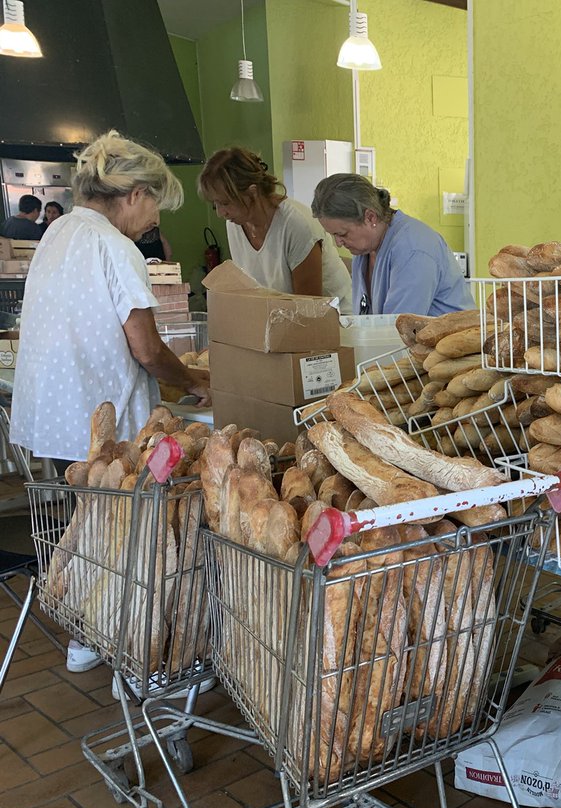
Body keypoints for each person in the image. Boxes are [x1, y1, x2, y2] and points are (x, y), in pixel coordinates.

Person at [10, 131, 211, 677]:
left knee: (85, 526)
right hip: (98, 416)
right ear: (133, 193)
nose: (155, 223)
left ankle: (86, 633)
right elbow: (146, 348)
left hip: (52, 412)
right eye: (156, 207)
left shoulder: (57, 232)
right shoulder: (116, 246)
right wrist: (194, 380)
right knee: (116, 535)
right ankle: (113, 640)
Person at [198, 147, 352, 310]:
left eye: (225, 203)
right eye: (215, 204)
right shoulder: (234, 223)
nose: (220, 213)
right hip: (282, 321)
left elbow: (309, 310)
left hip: (336, 322)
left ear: (252, 192)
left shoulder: (297, 225)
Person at [311, 173, 471, 317]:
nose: (338, 243)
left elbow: (399, 332)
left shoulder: (413, 249)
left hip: (445, 345)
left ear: (370, 217)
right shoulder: (365, 250)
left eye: (343, 234)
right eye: (333, 236)